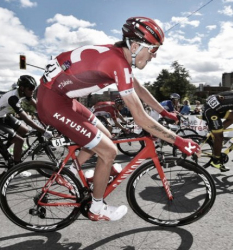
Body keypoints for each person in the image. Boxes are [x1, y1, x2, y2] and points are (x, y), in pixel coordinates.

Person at [36, 16, 200, 222]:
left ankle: (68, 172)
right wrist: (178, 140)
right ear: (134, 46)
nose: (154, 56)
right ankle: (96, 208)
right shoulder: (117, 62)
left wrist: (163, 111)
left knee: (106, 135)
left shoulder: (117, 57)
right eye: (153, 50)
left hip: (63, 99)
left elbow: (138, 88)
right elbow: (139, 117)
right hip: (53, 103)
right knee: (109, 151)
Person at [0, 75, 52, 166]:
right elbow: (26, 119)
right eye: (31, 88)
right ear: (22, 88)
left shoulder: (25, 93)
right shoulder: (13, 98)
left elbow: (38, 109)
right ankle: (16, 167)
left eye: (34, 88)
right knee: (19, 140)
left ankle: (4, 149)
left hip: (2, 115)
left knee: (24, 130)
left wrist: (47, 123)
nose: (33, 91)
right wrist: (43, 131)